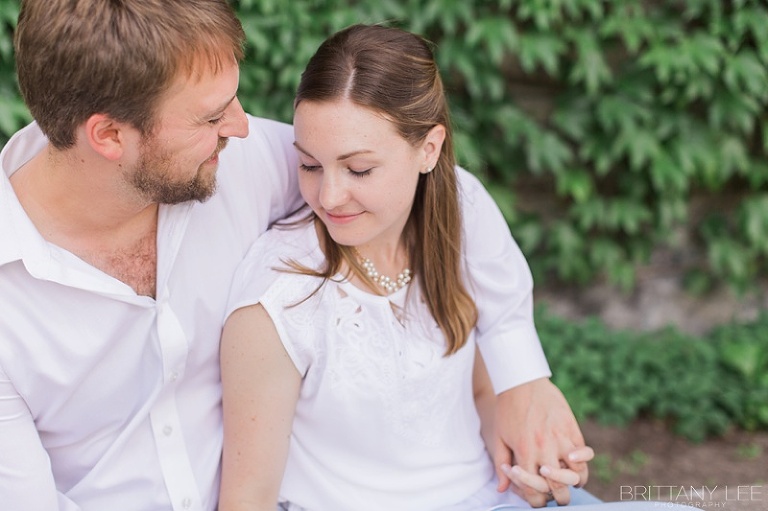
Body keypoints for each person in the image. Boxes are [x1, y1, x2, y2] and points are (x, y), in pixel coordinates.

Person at [2, 1, 591, 509]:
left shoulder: (241, 161)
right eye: (212, 115)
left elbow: (427, 183)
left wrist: (521, 376)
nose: (242, 125)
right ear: (108, 136)